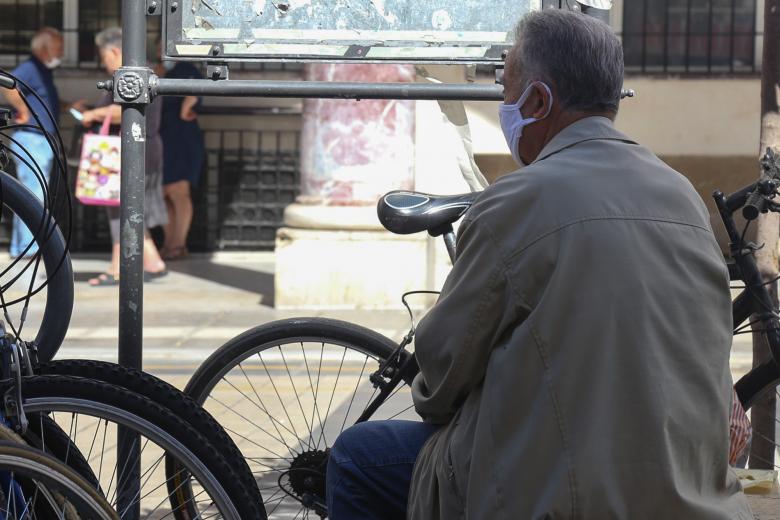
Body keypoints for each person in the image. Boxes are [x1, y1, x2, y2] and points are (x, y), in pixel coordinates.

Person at [326, 9, 753, 520]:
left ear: (538, 101)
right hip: (691, 497)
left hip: (560, 500)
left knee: (356, 456)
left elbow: (439, 384)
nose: (505, 106)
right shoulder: (681, 194)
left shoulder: (516, 200)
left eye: (507, 91)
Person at [80, 27, 167, 286]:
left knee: (120, 208)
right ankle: (153, 262)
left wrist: (94, 114)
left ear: (116, 51)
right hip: (144, 148)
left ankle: (118, 267)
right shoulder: (146, 72)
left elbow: (128, 111)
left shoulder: (131, 75)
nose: (103, 62)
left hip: (132, 151)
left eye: (104, 56)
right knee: (133, 207)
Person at [2, 28, 85, 258]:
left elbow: (44, 99)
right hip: (32, 138)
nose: (61, 53)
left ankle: (24, 247)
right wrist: (22, 110)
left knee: (32, 195)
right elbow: (8, 85)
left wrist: (69, 106)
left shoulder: (43, 72)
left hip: (40, 140)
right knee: (33, 197)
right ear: (44, 48)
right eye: (58, 48)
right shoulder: (31, 67)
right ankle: (29, 248)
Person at [159, 60, 205, 260]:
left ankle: (178, 244)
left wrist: (187, 107)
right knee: (163, 192)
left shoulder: (186, 68)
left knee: (179, 190)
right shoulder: (161, 72)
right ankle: (169, 244)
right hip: (163, 138)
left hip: (181, 137)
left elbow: (194, 92)